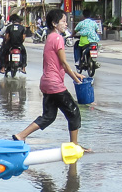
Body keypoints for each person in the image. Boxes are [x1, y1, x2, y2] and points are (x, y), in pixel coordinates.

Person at [13, 9, 84, 146]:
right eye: (63, 21)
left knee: (49, 116)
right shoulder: (58, 38)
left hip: (46, 83)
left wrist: (76, 74)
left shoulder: (50, 37)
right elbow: (64, 63)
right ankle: (74, 145)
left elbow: (58, 64)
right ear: (54, 23)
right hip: (55, 84)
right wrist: (76, 81)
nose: (66, 24)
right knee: (74, 112)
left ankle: (21, 135)